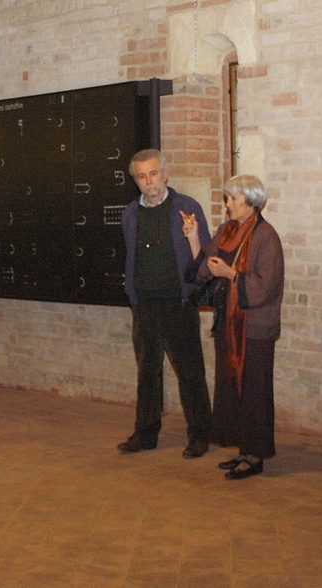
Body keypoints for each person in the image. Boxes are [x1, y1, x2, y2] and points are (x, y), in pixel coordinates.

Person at [183, 175, 284, 480]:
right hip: (228, 324)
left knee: (254, 390)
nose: (227, 204)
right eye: (227, 198)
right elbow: (204, 269)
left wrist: (231, 275)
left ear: (251, 202)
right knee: (232, 389)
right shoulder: (226, 231)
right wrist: (193, 238)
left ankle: (255, 456)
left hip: (254, 327)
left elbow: (266, 287)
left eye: (233, 199)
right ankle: (243, 448)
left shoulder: (266, 236)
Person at [118, 149, 212, 459]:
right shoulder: (130, 213)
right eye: (142, 176)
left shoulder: (187, 207)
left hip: (178, 302)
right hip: (144, 303)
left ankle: (200, 435)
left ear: (165, 175)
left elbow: (205, 259)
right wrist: (133, 295)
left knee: (190, 372)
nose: (149, 181)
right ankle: (144, 433)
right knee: (147, 372)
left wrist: (193, 238)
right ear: (136, 181)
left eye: (154, 174)